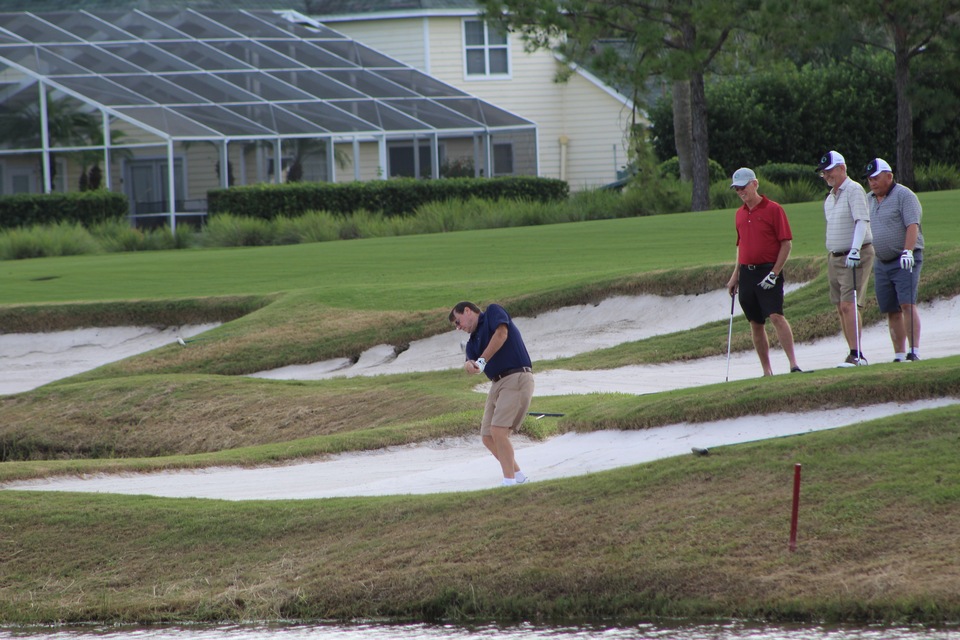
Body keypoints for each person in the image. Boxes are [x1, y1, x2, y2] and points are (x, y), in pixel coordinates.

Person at [725, 167, 802, 376]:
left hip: (768, 270)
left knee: (776, 316)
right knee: (755, 323)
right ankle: (767, 371)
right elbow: (741, 248)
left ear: (755, 184)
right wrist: (735, 276)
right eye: (737, 189)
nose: (741, 192)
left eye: (744, 187)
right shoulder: (739, 214)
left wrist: (775, 273)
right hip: (747, 274)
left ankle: (794, 364)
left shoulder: (774, 209)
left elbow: (786, 244)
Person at [449, 301, 534, 486]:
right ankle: (519, 477)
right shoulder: (472, 341)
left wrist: (481, 360)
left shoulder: (493, 313)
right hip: (497, 383)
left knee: (498, 431)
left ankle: (509, 481)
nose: (458, 327)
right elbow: (470, 361)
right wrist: (469, 365)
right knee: (488, 436)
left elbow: (502, 334)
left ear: (467, 311)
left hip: (517, 376)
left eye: (457, 321)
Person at [816, 150, 875, 367]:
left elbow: (861, 221)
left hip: (854, 255)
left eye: (829, 171)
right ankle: (852, 352)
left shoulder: (853, 189)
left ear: (842, 168)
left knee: (849, 304)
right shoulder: (831, 197)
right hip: (835, 256)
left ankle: (857, 355)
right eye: (824, 173)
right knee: (841, 306)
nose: (827, 175)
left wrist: (855, 249)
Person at [863, 158, 925, 362]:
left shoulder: (904, 195)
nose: (872, 182)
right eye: (870, 179)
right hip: (882, 261)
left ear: (889, 176)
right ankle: (899, 354)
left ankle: (913, 351)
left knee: (907, 303)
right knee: (891, 309)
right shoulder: (869, 198)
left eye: (876, 178)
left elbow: (912, 225)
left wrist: (908, 251)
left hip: (905, 257)